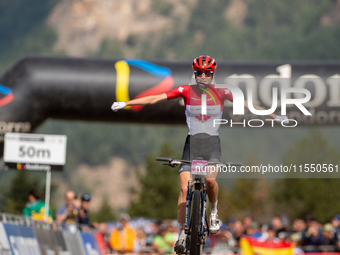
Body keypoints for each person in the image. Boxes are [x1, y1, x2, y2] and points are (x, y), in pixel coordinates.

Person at [111, 55, 288, 253]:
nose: (203, 76)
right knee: (184, 189)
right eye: (199, 73)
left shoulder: (223, 91)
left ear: (212, 74)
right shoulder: (185, 90)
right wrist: (126, 103)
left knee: (210, 181)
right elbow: (155, 98)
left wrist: (275, 116)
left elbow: (248, 105)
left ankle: (213, 211)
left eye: (207, 73)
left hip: (212, 144)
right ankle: (181, 234)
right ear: (195, 74)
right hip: (192, 144)